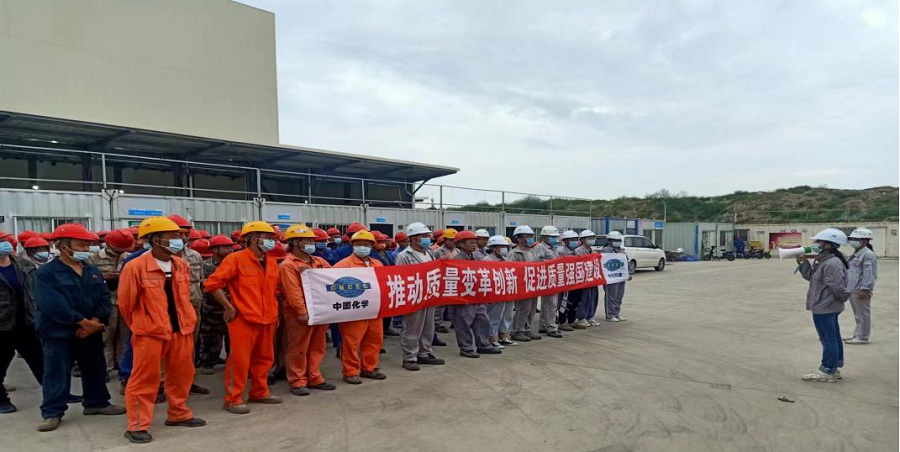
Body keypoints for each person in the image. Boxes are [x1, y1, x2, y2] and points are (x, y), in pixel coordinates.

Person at [118, 217, 205, 443]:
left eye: (181, 236)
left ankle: (179, 414)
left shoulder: (181, 265)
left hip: (181, 330)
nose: (180, 240)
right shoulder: (135, 267)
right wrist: (144, 324)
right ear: (156, 240)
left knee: (182, 374)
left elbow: (184, 297)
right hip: (150, 333)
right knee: (144, 379)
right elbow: (126, 305)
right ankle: (137, 425)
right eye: (174, 236)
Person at [33, 223, 125, 432]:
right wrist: (83, 322)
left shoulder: (91, 270)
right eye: (81, 245)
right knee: (57, 372)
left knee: (95, 367)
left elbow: (104, 297)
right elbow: (51, 304)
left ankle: (96, 402)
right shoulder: (46, 273)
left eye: (87, 245)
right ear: (64, 247)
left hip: (90, 331)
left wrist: (95, 321)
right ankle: (52, 412)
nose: (86, 249)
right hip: (58, 332)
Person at [204, 221, 283, 414]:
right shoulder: (236, 259)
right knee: (239, 361)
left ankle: (259, 392)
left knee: (264, 358)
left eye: (272, 238)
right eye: (268, 237)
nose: (271, 241)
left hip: (267, 318)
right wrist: (228, 306)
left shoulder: (271, 261)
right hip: (243, 318)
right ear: (253, 239)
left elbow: (274, 291)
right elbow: (212, 284)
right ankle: (233, 399)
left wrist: (276, 314)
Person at [278, 225, 337, 396]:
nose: (312, 243)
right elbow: (293, 291)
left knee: (317, 346)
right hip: (299, 312)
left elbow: (333, 278)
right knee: (298, 347)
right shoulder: (288, 265)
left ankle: (314, 377)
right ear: (296, 242)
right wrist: (301, 311)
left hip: (320, 309)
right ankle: (297, 381)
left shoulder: (319, 261)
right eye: (308, 240)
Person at [797, 228, 850, 382]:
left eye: (819, 241)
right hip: (825, 305)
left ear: (829, 244)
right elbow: (812, 277)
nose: (816, 243)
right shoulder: (824, 260)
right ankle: (834, 367)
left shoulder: (832, 263)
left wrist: (840, 299)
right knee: (833, 338)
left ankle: (827, 370)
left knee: (828, 339)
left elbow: (838, 287)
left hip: (825, 306)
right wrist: (803, 263)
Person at [333, 230, 386, 384]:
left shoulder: (377, 264)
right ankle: (350, 371)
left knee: (374, 339)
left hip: (374, 309)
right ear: (352, 245)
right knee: (351, 342)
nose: (362, 247)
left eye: (366, 244)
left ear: (372, 246)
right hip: (353, 311)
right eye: (358, 244)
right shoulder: (342, 265)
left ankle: (369, 367)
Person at [0, 233, 43, 414]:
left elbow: (35, 291)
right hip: (2, 325)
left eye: (4, 241)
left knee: (41, 361)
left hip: (26, 321)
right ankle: (1, 400)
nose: (4, 245)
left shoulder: (24, 265)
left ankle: (55, 394)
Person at [395, 223, 445, 372]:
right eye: (423, 236)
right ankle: (410, 357)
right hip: (414, 296)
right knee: (412, 328)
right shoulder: (404, 256)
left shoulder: (429, 253)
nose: (427, 238)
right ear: (413, 238)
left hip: (429, 295)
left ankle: (425, 353)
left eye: (427, 236)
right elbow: (400, 277)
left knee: (428, 327)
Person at [449, 230, 499, 358]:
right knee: (464, 322)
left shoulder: (476, 257)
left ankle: (483, 344)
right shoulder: (456, 260)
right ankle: (466, 347)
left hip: (477, 295)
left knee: (482, 319)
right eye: (471, 242)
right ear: (461, 244)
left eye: (475, 242)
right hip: (464, 297)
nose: (474, 245)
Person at [197, 235, 234, 375]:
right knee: (211, 337)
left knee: (232, 338)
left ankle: (232, 361)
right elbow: (205, 286)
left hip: (232, 307)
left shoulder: (234, 263)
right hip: (212, 308)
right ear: (215, 249)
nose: (230, 250)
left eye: (231, 247)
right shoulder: (206, 266)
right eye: (226, 247)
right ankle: (208, 362)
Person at [844, 228, 878, 345]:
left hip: (860, 289)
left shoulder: (868, 254)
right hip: (853, 288)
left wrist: (865, 289)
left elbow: (870, 273)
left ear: (865, 241)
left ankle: (862, 337)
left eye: (856, 239)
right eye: (852, 239)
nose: (853, 241)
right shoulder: (857, 253)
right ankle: (857, 335)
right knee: (858, 314)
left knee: (863, 314)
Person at [483, 236, 516, 347]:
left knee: (507, 315)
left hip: (507, 291)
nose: (504, 249)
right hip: (495, 292)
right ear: (494, 247)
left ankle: (503, 336)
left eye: (506, 247)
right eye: (502, 246)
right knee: (494, 316)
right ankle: (492, 338)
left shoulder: (506, 260)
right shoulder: (487, 260)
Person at [534, 226, 564, 338]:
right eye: (552, 237)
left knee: (547, 304)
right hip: (546, 278)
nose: (554, 239)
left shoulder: (552, 247)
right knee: (551, 304)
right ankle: (551, 327)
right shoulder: (540, 247)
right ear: (544, 237)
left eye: (555, 237)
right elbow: (537, 261)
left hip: (553, 278)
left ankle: (543, 325)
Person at [432, 228, 458, 334]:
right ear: (445, 240)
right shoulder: (438, 252)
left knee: (454, 302)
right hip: (441, 279)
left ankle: (454, 321)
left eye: (454, 240)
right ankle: (438, 323)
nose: (453, 242)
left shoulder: (457, 251)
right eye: (450, 240)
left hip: (454, 279)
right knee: (440, 304)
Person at [601, 231, 631, 322]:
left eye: (619, 240)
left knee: (619, 296)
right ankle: (610, 315)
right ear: (609, 241)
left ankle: (616, 313)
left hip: (620, 277)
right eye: (615, 240)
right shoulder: (605, 250)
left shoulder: (621, 250)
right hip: (610, 277)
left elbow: (625, 263)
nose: (617, 242)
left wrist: (628, 274)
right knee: (611, 296)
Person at [575, 230, 600, 327]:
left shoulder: (593, 251)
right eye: (589, 238)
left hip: (593, 279)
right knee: (584, 298)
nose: (592, 240)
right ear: (582, 240)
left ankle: (591, 316)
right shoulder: (578, 251)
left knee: (593, 298)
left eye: (593, 238)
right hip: (584, 279)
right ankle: (581, 317)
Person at [555, 230, 578, 332]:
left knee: (574, 301)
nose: (574, 241)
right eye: (572, 239)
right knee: (564, 302)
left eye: (575, 239)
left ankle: (571, 320)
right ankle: (562, 321)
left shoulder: (576, 251)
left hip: (575, 280)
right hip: (565, 281)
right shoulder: (561, 252)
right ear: (565, 241)